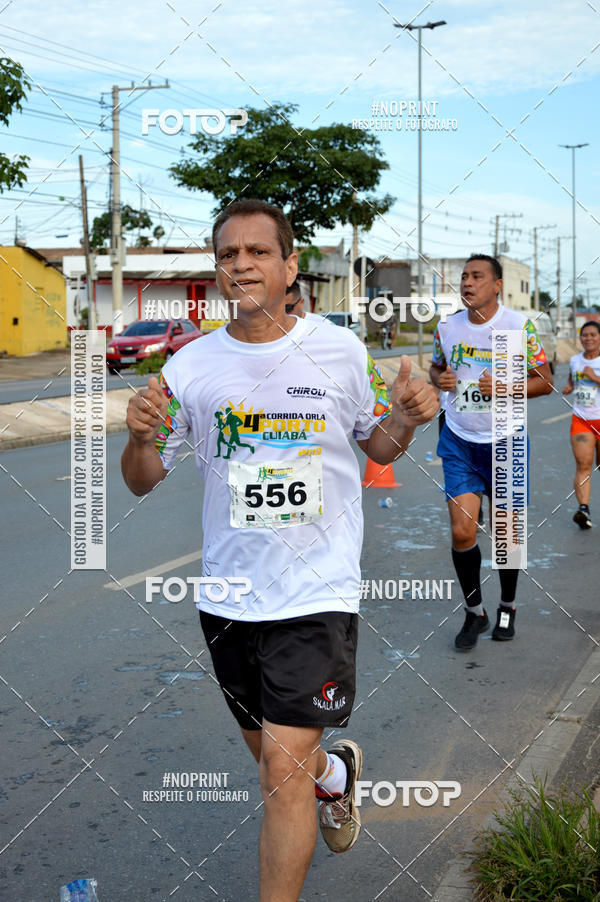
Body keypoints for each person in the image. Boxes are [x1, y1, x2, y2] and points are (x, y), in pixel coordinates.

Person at [122, 199, 439, 902]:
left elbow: (376, 446)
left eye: (258, 252)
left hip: (317, 592)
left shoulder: (338, 351)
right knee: (273, 757)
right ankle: (337, 777)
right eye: (229, 254)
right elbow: (142, 483)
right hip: (230, 597)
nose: (242, 265)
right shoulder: (192, 366)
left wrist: (403, 420)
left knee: (279, 775)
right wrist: (140, 438)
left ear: (291, 265)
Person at [430, 254, 553, 650]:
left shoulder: (518, 327)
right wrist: (441, 377)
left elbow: (545, 382)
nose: (467, 282)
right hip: (459, 438)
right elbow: (436, 369)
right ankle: (474, 613)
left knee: (507, 537)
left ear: (497, 285)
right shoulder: (447, 327)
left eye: (477, 276)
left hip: (507, 440)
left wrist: (504, 388)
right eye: (464, 276)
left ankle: (508, 606)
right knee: (463, 530)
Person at [562, 320, 600, 529]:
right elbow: (572, 380)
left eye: (593, 335)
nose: (588, 339)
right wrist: (569, 386)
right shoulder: (575, 360)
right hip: (582, 419)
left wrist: (594, 377)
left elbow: (591, 378)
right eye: (585, 335)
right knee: (583, 466)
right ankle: (583, 509)